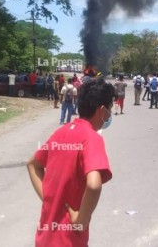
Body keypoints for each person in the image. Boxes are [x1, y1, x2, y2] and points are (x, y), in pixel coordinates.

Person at [27, 78, 115, 247]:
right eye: (110, 109)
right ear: (102, 110)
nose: (110, 114)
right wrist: (80, 221)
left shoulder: (62, 132)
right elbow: (94, 185)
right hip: (68, 241)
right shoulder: (92, 138)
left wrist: (49, 199)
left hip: (44, 238)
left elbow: (32, 164)